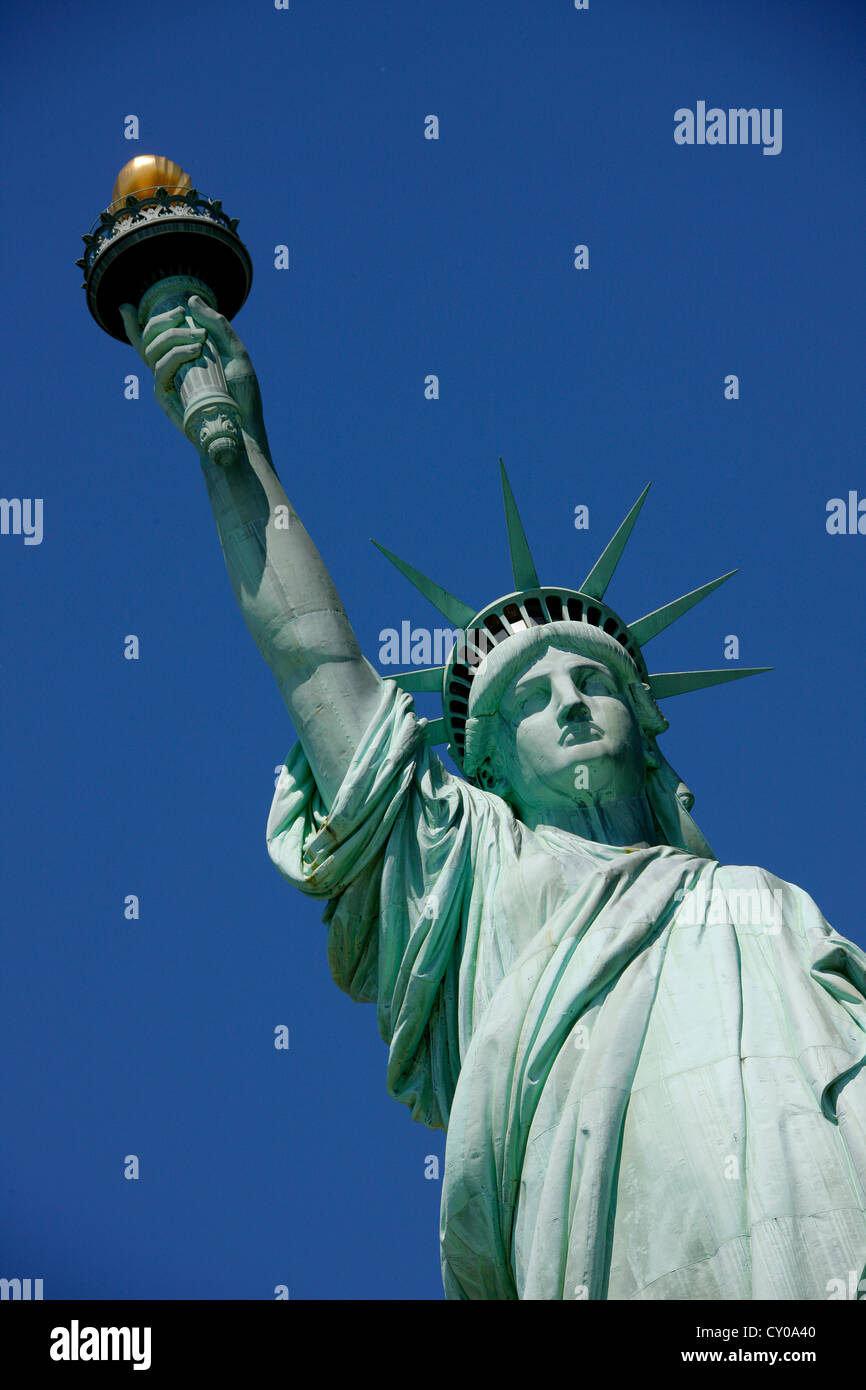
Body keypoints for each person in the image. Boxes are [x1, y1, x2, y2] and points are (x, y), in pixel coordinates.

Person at [121, 295, 866, 1301]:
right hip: (600, 1220)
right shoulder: (471, 865)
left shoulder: (765, 905)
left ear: (644, 727)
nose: (568, 702)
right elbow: (314, 661)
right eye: (530, 696)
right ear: (489, 766)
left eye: (592, 681)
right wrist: (235, 443)